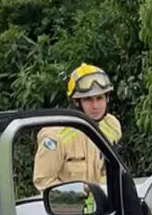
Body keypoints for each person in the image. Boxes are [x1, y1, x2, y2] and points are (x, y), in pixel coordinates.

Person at [31, 63, 122, 191]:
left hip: (107, 207)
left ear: (107, 98)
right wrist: (78, 193)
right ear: (76, 102)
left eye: (99, 98)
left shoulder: (112, 126)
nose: (95, 106)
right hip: (71, 208)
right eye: (88, 99)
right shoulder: (55, 136)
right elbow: (43, 181)